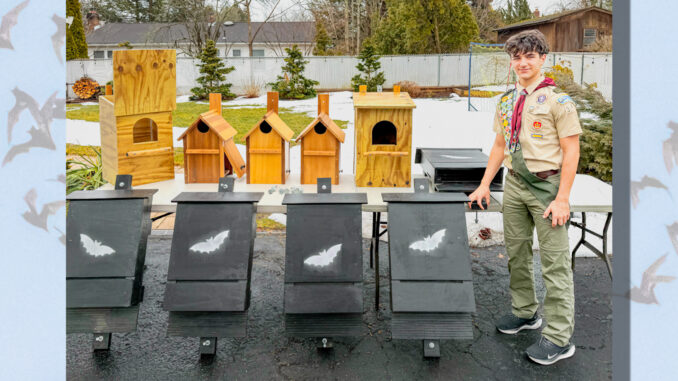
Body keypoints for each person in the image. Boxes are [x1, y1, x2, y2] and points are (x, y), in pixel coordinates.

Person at [468, 29, 582, 366]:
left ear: (543, 59)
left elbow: (571, 150)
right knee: (516, 253)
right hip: (515, 186)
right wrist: (485, 184)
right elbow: (500, 146)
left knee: (555, 265)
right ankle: (525, 313)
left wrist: (563, 199)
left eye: (529, 56)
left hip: (548, 191)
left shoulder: (559, 102)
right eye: (517, 57)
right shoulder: (506, 101)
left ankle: (560, 338)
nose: (522, 63)